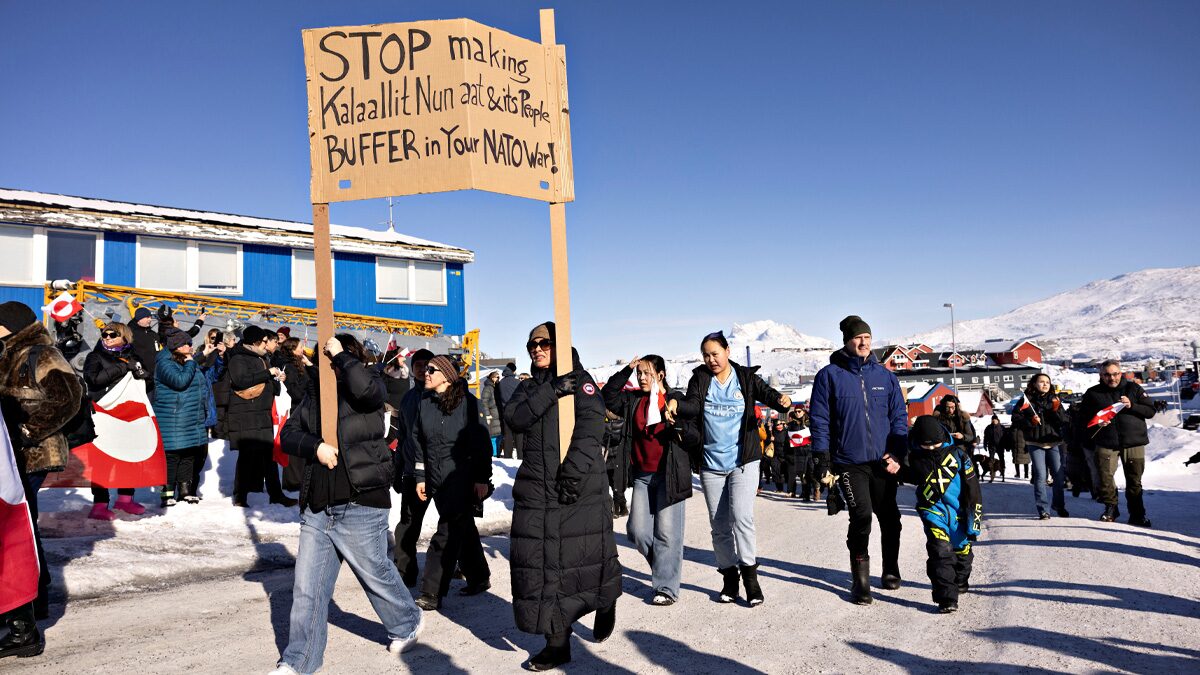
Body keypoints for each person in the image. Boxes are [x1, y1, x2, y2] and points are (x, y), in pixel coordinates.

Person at [273, 334, 423, 674]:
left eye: (334, 358)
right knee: (308, 589)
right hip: (318, 505)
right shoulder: (314, 395)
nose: (328, 364)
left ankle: (407, 622)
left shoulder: (369, 383)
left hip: (361, 500)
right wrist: (315, 447)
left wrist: (341, 356)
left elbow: (369, 392)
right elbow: (289, 434)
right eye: (324, 358)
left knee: (375, 574)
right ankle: (299, 661)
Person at [503, 322, 621, 671]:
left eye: (544, 343)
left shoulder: (582, 381)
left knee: (586, 556)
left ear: (560, 345)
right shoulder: (530, 387)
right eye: (532, 345)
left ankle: (606, 599)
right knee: (541, 566)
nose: (537, 349)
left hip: (579, 486)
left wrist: (572, 475)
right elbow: (515, 418)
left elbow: (590, 429)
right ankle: (557, 643)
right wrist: (552, 390)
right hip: (537, 490)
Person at [665, 331, 791, 607]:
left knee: (742, 518)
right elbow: (692, 405)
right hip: (711, 464)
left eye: (715, 354)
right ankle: (729, 577)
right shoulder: (701, 379)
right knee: (719, 526)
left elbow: (767, 393)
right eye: (706, 355)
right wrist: (675, 401)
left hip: (743, 462)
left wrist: (781, 400)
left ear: (727, 351)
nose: (711, 360)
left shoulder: (744, 377)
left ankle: (751, 579)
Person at [0, 301, 82, 656]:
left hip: (34, 452)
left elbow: (68, 398)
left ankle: (32, 602)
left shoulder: (40, 353)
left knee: (22, 525)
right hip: (11, 452)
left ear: (11, 325)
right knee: (21, 524)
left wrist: (28, 431)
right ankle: (29, 602)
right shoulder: (9, 351)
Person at [809, 315, 907, 606]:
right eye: (857, 338)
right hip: (849, 461)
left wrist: (898, 452)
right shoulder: (829, 376)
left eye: (867, 337)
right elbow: (820, 420)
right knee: (861, 516)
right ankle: (860, 580)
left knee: (890, 517)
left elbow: (899, 417)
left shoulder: (885, 377)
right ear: (846, 341)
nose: (863, 342)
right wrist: (822, 458)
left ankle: (890, 568)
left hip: (883, 461)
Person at [602, 355, 693, 606]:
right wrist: (626, 370)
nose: (641, 378)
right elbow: (608, 396)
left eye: (647, 373)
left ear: (660, 375)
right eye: (639, 373)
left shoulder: (674, 399)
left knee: (667, 533)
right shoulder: (633, 400)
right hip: (642, 476)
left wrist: (678, 424)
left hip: (669, 474)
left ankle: (666, 588)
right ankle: (665, 567)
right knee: (637, 531)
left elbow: (693, 428)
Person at [410, 355, 493, 610]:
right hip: (436, 479)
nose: (426, 372)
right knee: (462, 527)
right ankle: (479, 577)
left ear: (446, 376)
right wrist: (421, 477)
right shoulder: (425, 403)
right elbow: (418, 442)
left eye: (431, 369)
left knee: (446, 532)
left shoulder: (469, 403)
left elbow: (481, 444)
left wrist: (482, 478)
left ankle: (432, 591)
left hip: (461, 477)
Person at [905, 416, 982, 614]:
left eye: (935, 444)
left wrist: (974, 522)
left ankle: (961, 580)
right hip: (932, 511)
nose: (931, 449)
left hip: (959, 513)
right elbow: (909, 475)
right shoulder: (915, 456)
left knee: (962, 553)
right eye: (926, 445)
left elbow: (973, 490)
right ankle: (946, 598)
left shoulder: (959, 456)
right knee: (939, 551)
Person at [81, 321, 151, 519]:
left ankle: (125, 499)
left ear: (124, 337)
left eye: (113, 335)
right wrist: (122, 367)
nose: (108, 338)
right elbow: (93, 380)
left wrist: (143, 374)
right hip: (104, 414)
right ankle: (100, 504)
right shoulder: (95, 356)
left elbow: (148, 384)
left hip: (128, 415)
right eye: (105, 335)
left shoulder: (134, 356)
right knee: (102, 460)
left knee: (129, 458)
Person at [1078, 360, 1156, 526]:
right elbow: (1082, 419)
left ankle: (1137, 514)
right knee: (1105, 477)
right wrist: (1097, 423)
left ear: (1121, 373)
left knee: (1134, 480)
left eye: (1115, 374)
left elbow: (1150, 411)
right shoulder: (1093, 393)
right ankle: (1111, 508)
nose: (1111, 378)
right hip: (1106, 441)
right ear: (1101, 375)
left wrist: (1132, 405)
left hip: (1133, 441)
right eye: (1107, 375)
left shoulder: (1134, 389)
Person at [226, 325, 296, 508]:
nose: (267, 344)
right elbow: (240, 380)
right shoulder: (238, 358)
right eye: (264, 341)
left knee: (268, 457)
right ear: (255, 342)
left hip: (262, 414)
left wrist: (277, 379)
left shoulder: (262, 358)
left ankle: (276, 494)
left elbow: (269, 384)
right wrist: (267, 373)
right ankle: (240, 496)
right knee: (247, 457)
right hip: (246, 414)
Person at [154, 329, 214, 506]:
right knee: (172, 456)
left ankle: (185, 492)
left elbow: (188, 366)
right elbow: (180, 381)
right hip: (174, 417)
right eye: (187, 344)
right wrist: (191, 362)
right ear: (177, 346)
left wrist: (203, 355)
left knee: (188, 454)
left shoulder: (183, 359)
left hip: (190, 416)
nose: (190, 346)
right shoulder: (164, 363)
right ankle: (167, 494)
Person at [393, 348, 434, 586]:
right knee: (408, 524)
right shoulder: (408, 398)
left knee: (456, 523)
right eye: (418, 365)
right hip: (412, 472)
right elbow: (404, 437)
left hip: (442, 471)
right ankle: (404, 571)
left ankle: (470, 569)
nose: (422, 370)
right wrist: (398, 470)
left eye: (427, 365)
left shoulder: (443, 394)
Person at [1011, 373, 1068, 519]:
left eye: (1047, 382)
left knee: (1058, 476)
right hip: (1035, 442)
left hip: (1054, 441)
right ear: (1034, 384)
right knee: (1041, 476)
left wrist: (1056, 410)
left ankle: (1059, 505)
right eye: (1041, 382)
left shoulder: (1055, 400)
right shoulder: (1026, 400)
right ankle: (1043, 509)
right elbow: (1015, 419)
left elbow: (1065, 420)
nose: (1045, 384)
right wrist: (1030, 421)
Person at [127, 307, 159, 394]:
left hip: (154, 377)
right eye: (147, 317)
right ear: (139, 318)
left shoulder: (152, 334)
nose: (150, 319)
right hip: (139, 377)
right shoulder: (130, 333)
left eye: (150, 317)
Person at [497, 363, 520, 458]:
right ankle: (521, 456)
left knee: (508, 435)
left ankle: (507, 456)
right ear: (513, 371)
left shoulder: (501, 383)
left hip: (505, 410)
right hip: (517, 410)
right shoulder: (517, 382)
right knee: (519, 435)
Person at [480, 370, 503, 456]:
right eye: (497, 377)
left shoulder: (496, 387)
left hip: (498, 416)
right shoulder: (488, 388)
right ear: (492, 378)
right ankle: (494, 456)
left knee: (499, 437)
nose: (498, 378)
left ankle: (497, 454)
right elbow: (484, 402)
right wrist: (487, 415)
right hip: (492, 416)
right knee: (493, 437)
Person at [771, 418, 795, 496]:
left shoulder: (787, 432)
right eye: (777, 425)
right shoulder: (772, 432)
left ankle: (791, 490)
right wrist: (770, 439)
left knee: (787, 473)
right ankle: (779, 488)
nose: (779, 426)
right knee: (776, 471)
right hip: (776, 455)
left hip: (785, 455)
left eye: (781, 424)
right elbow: (766, 441)